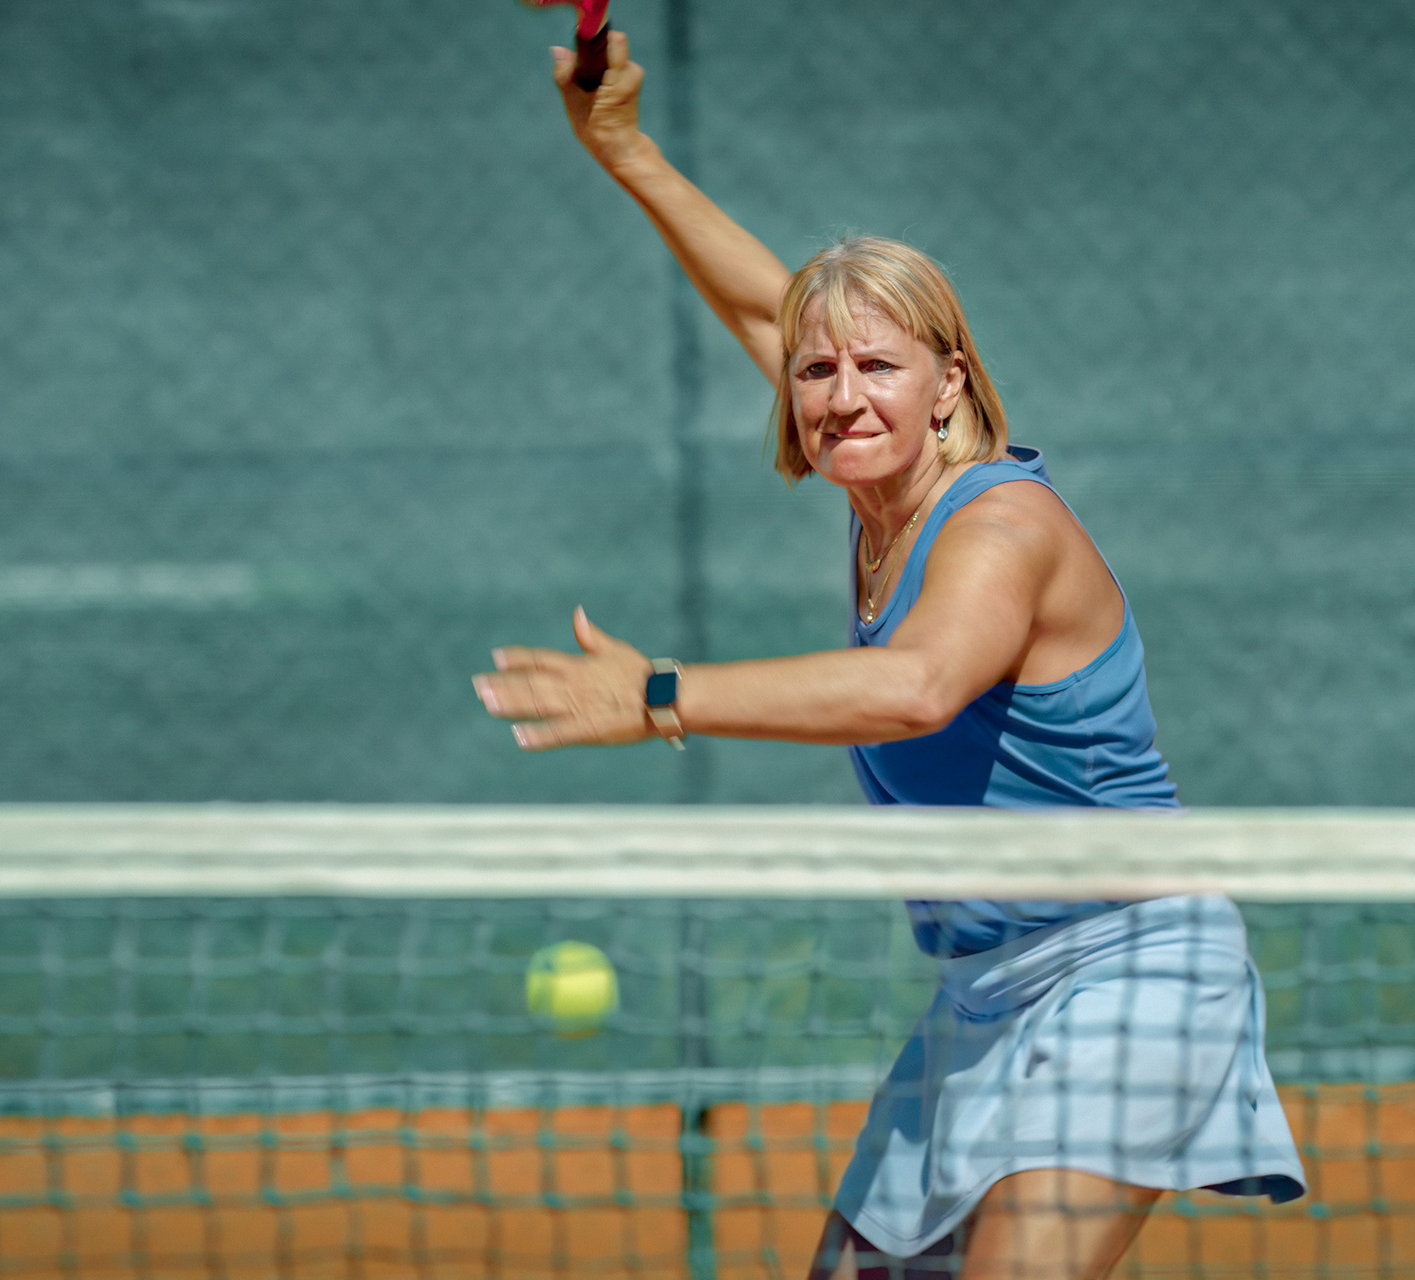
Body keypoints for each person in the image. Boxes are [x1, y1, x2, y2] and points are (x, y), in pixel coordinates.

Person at [470, 31, 1308, 1280]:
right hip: (982, 988)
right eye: (817, 369)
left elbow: (917, 687)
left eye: (878, 365)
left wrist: (659, 695)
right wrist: (624, 147)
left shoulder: (1002, 527)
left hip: (1132, 968)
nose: (843, 392)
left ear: (947, 385)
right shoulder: (875, 487)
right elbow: (760, 304)